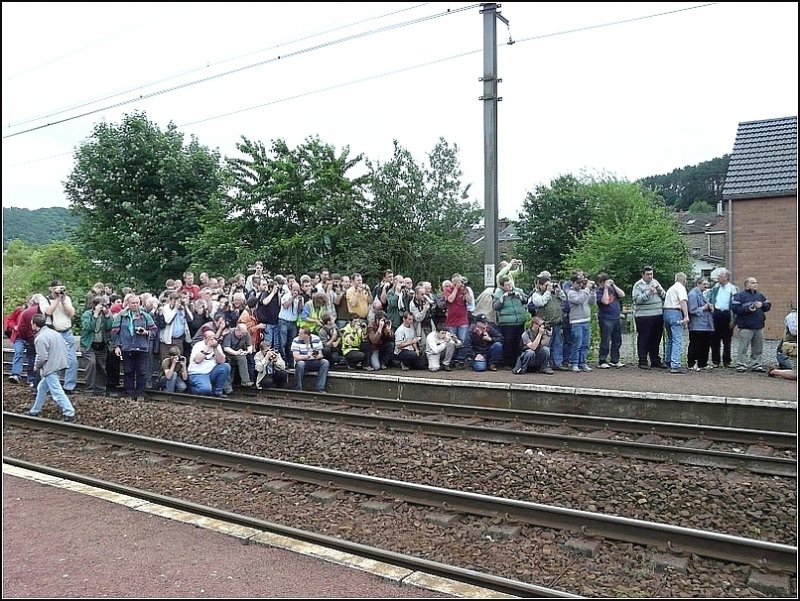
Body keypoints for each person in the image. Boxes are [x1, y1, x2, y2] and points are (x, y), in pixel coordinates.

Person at [27, 314, 76, 421]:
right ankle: (35, 410)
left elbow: (42, 356)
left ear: (35, 325)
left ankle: (69, 412)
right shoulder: (54, 333)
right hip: (59, 363)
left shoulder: (40, 338)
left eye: (31, 323)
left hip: (50, 367)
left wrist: (36, 366)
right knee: (42, 388)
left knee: (56, 391)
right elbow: (65, 345)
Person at [111, 293, 159, 400]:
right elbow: (114, 332)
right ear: (128, 303)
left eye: (137, 303)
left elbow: (154, 330)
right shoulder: (121, 316)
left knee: (141, 371)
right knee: (128, 371)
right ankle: (129, 393)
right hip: (127, 347)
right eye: (133, 303)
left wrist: (146, 332)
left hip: (142, 347)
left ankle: (140, 394)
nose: (135, 305)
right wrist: (117, 346)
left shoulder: (145, 316)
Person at [39, 279, 79, 393]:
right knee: (53, 362)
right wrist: (56, 300)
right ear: (51, 289)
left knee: (72, 361)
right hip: (53, 333)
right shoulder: (44, 299)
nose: (59, 290)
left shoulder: (66, 299)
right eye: (57, 288)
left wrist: (63, 301)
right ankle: (50, 386)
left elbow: (71, 313)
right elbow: (48, 312)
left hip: (66, 332)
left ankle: (69, 386)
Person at [528, 272, 567, 371]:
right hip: (545, 324)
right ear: (540, 285)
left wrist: (559, 290)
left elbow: (564, 298)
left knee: (558, 344)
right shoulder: (536, 295)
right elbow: (540, 303)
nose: (548, 287)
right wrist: (548, 292)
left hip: (556, 322)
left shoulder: (554, 293)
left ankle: (557, 364)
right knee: (546, 345)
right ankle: (546, 365)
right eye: (546, 285)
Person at [731, 277, 771, 373]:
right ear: (746, 285)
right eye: (753, 283)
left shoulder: (760, 295)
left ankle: (756, 365)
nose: (755, 284)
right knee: (743, 347)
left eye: (756, 282)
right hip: (745, 326)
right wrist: (747, 309)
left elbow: (768, 306)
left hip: (759, 325)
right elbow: (735, 309)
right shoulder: (739, 296)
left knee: (758, 348)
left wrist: (762, 305)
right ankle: (741, 365)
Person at [632, 266, 667, 369]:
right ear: (643, 275)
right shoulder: (638, 285)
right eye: (647, 274)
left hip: (657, 314)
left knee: (656, 338)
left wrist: (660, 290)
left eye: (651, 274)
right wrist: (649, 292)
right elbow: (637, 300)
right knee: (644, 338)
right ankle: (642, 361)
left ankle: (655, 360)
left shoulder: (656, 282)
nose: (650, 276)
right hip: (643, 316)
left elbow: (665, 296)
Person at [492, 276, 528, 369]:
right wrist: (502, 298)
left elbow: (526, 300)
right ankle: (508, 363)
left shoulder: (518, 290)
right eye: (507, 285)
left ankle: (518, 361)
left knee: (518, 342)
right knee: (509, 342)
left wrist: (519, 296)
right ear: (502, 286)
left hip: (519, 320)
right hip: (507, 322)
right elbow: (495, 307)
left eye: (510, 284)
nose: (510, 286)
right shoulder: (498, 293)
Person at [80, 296, 114, 394]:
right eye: (101, 305)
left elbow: (110, 327)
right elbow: (88, 327)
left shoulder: (105, 315)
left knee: (101, 366)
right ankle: (89, 389)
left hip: (101, 344)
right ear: (95, 305)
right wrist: (95, 315)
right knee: (91, 364)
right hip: (88, 344)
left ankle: (100, 389)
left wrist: (107, 315)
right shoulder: (87, 314)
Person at [707, 268, 738, 368]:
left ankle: (727, 361)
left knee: (727, 340)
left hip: (727, 315)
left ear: (726, 277)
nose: (718, 278)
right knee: (714, 339)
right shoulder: (715, 288)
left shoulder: (733, 289)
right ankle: (716, 361)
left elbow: (736, 305)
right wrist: (710, 305)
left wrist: (734, 320)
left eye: (720, 276)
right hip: (716, 314)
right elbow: (709, 298)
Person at [595, 273, 626, 369]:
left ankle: (615, 359)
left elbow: (622, 294)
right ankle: (602, 360)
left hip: (615, 317)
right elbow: (605, 301)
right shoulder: (599, 292)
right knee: (605, 340)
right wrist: (605, 289)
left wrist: (614, 285)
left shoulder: (613, 289)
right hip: (605, 318)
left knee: (617, 340)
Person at [188, 329, 232, 397]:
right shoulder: (198, 345)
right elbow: (197, 360)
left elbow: (221, 361)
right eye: (211, 339)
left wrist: (215, 348)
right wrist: (208, 346)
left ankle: (217, 391)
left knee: (225, 366)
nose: (213, 340)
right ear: (205, 338)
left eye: (214, 338)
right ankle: (192, 389)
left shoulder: (217, 346)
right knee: (205, 390)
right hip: (198, 373)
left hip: (211, 372)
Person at [567, 273, 597, 372]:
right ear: (573, 283)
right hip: (576, 322)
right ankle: (575, 363)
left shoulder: (585, 292)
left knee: (585, 344)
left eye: (581, 283)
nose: (580, 285)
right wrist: (587, 289)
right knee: (577, 344)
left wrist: (592, 291)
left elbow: (592, 302)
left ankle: (583, 362)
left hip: (586, 320)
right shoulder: (571, 293)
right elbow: (580, 300)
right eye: (578, 283)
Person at [663, 272, 690, 374]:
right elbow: (683, 301)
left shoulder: (671, 289)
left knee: (670, 338)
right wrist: (686, 316)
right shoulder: (681, 288)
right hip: (675, 312)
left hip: (666, 312)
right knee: (677, 339)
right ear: (684, 280)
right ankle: (675, 364)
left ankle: (668, 360)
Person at [15, 294, 44, 388]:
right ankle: (41, 379)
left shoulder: (27, 312)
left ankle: (31, 379)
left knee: (32, 358)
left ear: (33, 301)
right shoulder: (46, 310)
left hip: (31, 338)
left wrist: (25, 338)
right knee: (44, 357)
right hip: (44, 336)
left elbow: (21, 327)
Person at [687, 277, 715, 371]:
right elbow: (692, 310)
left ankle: (702, 363)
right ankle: (692, 363)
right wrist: (704, 307)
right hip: (696, 325)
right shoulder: (693, 294)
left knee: (705, 345)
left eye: (707, 284)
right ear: (698, 284)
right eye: (704, 284)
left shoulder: (704, 294)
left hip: (706, 325)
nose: (706, 286)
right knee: (695, 345)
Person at [291, 327, 330, 392]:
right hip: (302, 362)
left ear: (306, 335)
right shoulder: (296, 340)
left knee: (325, 362)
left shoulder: (316, 339)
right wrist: (307, 356)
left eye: (300, 333)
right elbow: (296, 357)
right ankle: (298, 388)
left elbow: (321, 355)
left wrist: (316, 356)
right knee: (300, 364)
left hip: (314, 361)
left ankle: (320, 387)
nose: (298, 334)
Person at [222, 323, 254, 387]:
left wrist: (248, 351)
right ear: (237, 330)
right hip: (227, 355)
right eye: (241, 334)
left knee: (242, 358)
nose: (242, 336)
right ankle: (228, 384)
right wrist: (235, 353)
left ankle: (245, 381)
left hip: (239, 353)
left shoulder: (245, 333)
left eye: (243, 334)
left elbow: (249, 345)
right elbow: (226, 348)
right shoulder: (229, 334)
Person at [4, 299, 26, 384]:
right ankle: (15, 374)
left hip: (30, 337)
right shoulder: (19, 310)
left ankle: (32, 378)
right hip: (19, 336)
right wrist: (14, 326)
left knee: (32, 355)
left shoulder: (36, 311)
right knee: (18, 351)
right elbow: (10, 320)